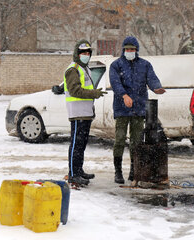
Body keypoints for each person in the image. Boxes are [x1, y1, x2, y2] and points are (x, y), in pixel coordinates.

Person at [109, 36, 166, 184]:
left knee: (136, 142)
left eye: (132, 49)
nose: (130, 51)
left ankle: (134, 170)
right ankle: (118, 171)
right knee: (120, 139)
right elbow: (115, 83)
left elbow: (152, 78)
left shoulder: (144, 65)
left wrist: (157, 87)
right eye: (127, 49)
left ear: (136, 50)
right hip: (122, 108)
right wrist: (124, 96)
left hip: (139, 109)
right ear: (123, 50)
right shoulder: (116, 65)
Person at [64, 39, 107, 186]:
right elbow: (74, 90)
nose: (86, 55)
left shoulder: (85, 68)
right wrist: (93, 94)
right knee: (76, 144)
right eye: (83, 52)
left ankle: (78, 170)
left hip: (85, 113)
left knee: (81, 144)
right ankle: (72, 174)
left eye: (88, 52)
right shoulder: (73, 69)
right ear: (77, 53)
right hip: (77, 113)